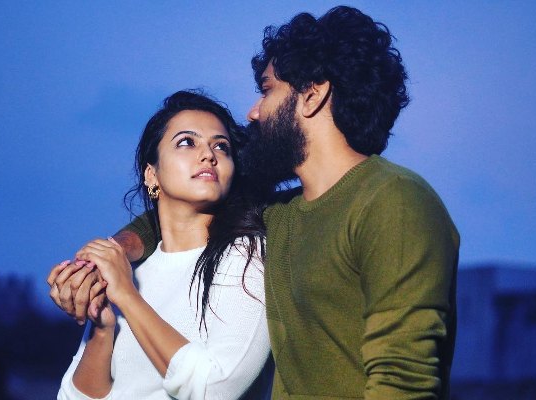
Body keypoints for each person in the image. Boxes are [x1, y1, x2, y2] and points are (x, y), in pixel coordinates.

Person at [65, 5, 459, 399]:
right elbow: (173, 215)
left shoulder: (394, 201)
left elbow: (403, 382)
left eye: (268, 90)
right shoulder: (279, 215)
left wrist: (124, 289)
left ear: (312, 96)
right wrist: (107, 256)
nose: (253, 113)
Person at [46, 90, 273, 400]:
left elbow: (215, 388)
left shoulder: (246, 255)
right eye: (187, 142)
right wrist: (103, 329)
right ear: (151, 174)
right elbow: (72, 397)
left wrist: (126, 295)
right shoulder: (132, 269)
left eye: (221, 146)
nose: (209, 155)